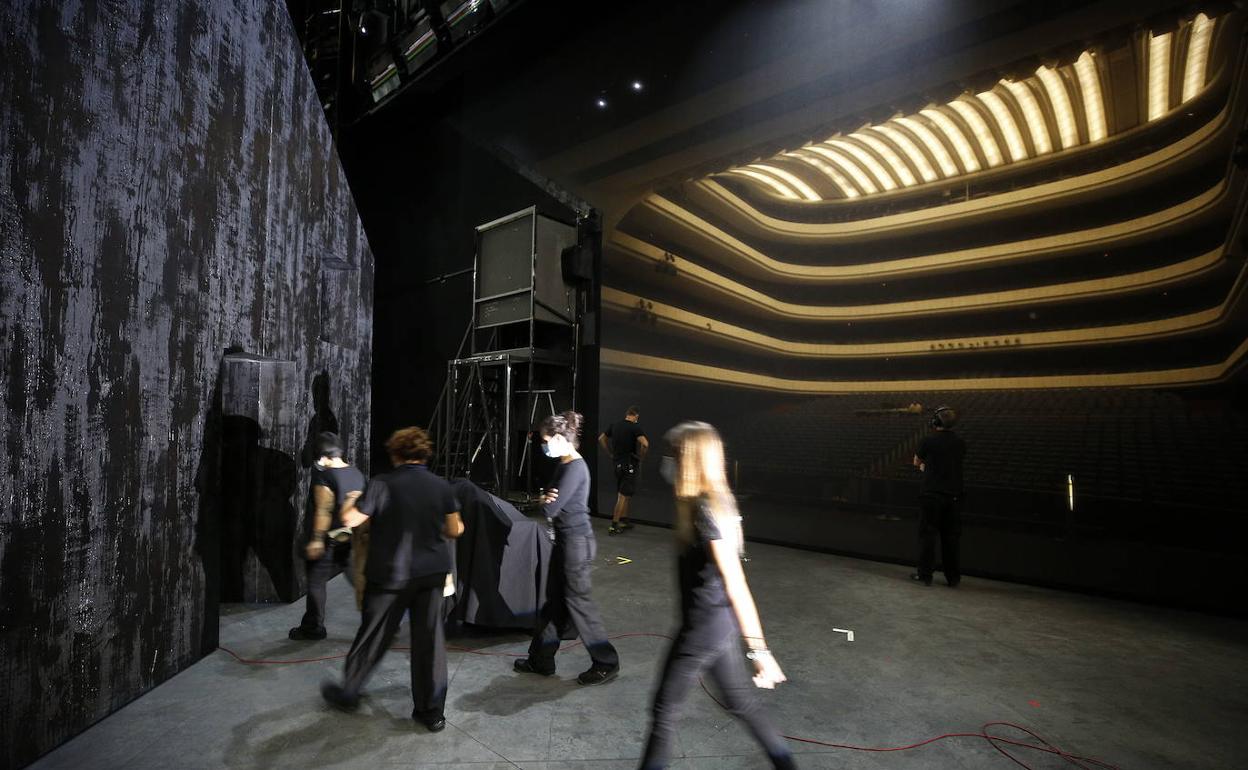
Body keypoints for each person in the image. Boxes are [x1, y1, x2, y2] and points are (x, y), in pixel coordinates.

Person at [639, 422, 795, 770]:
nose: (668, 462)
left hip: (703, 628)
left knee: (663, 713)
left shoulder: (706, 511)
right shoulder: (709, 502)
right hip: (716, 624)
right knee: (740, 702)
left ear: (691, 459)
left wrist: (759, 650)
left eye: (675, 454)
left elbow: (737, 583)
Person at [321, 426, 465, 732]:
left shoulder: (381, 484)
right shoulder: (442, 486)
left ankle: (349, 691)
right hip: (432, 573)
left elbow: (350, 520)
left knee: (373, 633)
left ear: (396, 454)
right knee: (430, 642)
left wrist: (351, 501)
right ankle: (431, 712)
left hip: (391, 574)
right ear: (425, 454)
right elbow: (455, 530)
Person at [514, 410, 621, 685]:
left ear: (561, 439)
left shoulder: (575, 468)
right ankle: (541, 660)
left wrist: (545, 499)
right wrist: (545, 497)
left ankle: (606, 662)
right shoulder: (563, 464)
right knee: (553, 604)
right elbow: (547, 496)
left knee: (579, 603)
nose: (543, 445)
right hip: (564, 542)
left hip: (576, 544)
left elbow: (550, 506)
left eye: (546, 440)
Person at [289, 432, 364, 641]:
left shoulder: (325, 475)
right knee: (360, 580)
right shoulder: (356, 474)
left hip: (328, 540)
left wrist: (316, 539)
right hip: (348, 538)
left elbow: (323, 509)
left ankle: (313, 627)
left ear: (323, 455)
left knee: (316, 582)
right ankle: (379, 621)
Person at [911, 405, 967, 587]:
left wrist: (924, 466)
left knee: (927, 535)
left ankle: (925, 575)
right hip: (954, 496)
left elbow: (917, 462)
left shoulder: (928, 440)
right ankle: (953, 578)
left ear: (935, 422)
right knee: (951, 538)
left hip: (932, 495)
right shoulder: (960, 443)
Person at [599, 405, 649, 535]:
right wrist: (641, 457)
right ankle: (614, 525)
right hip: (629, 464)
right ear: (636, 416)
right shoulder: (634, 427)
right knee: (622, 496)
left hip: (617, 464)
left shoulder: (615, 425)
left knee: (625, 493)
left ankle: (624, 520)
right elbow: (645, 443)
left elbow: (601, 439)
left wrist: (609, 453)